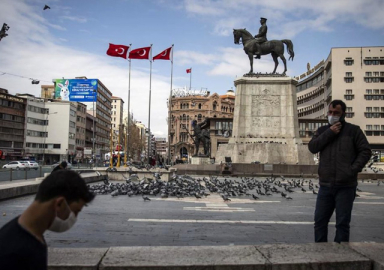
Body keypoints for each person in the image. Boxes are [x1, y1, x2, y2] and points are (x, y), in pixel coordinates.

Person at [0, 170, 95, 269]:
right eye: (75, 211)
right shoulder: (14, 254)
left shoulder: (30, 236)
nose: (74, 218)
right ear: (59, 204)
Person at [308, 100, 371, 243]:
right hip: (325, 185)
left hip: (346, 186)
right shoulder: (322, 130)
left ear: (343, 114)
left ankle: (341, 254)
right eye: (330, 112)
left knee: (342, 223)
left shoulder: (354, 131)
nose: (332, 115)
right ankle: (320, 252)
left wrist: (352, 170)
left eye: (336, 113)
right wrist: (330, 133)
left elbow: (365, 151)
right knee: (319, 222)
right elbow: (313, 147)